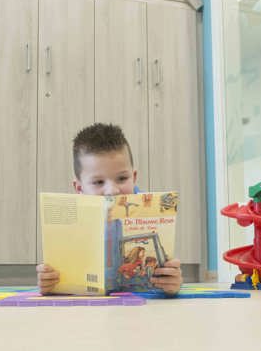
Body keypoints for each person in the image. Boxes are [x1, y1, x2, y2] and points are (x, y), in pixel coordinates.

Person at [36, 123, 182, 296]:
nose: (112, 190)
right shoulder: (72, 219)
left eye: (122, 178)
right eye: (98, 182)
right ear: (79, 187)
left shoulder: (149, 211)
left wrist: (171, 282)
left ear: (133, 177)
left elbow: (166, 272)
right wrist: (49, 282)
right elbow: (59, 276)